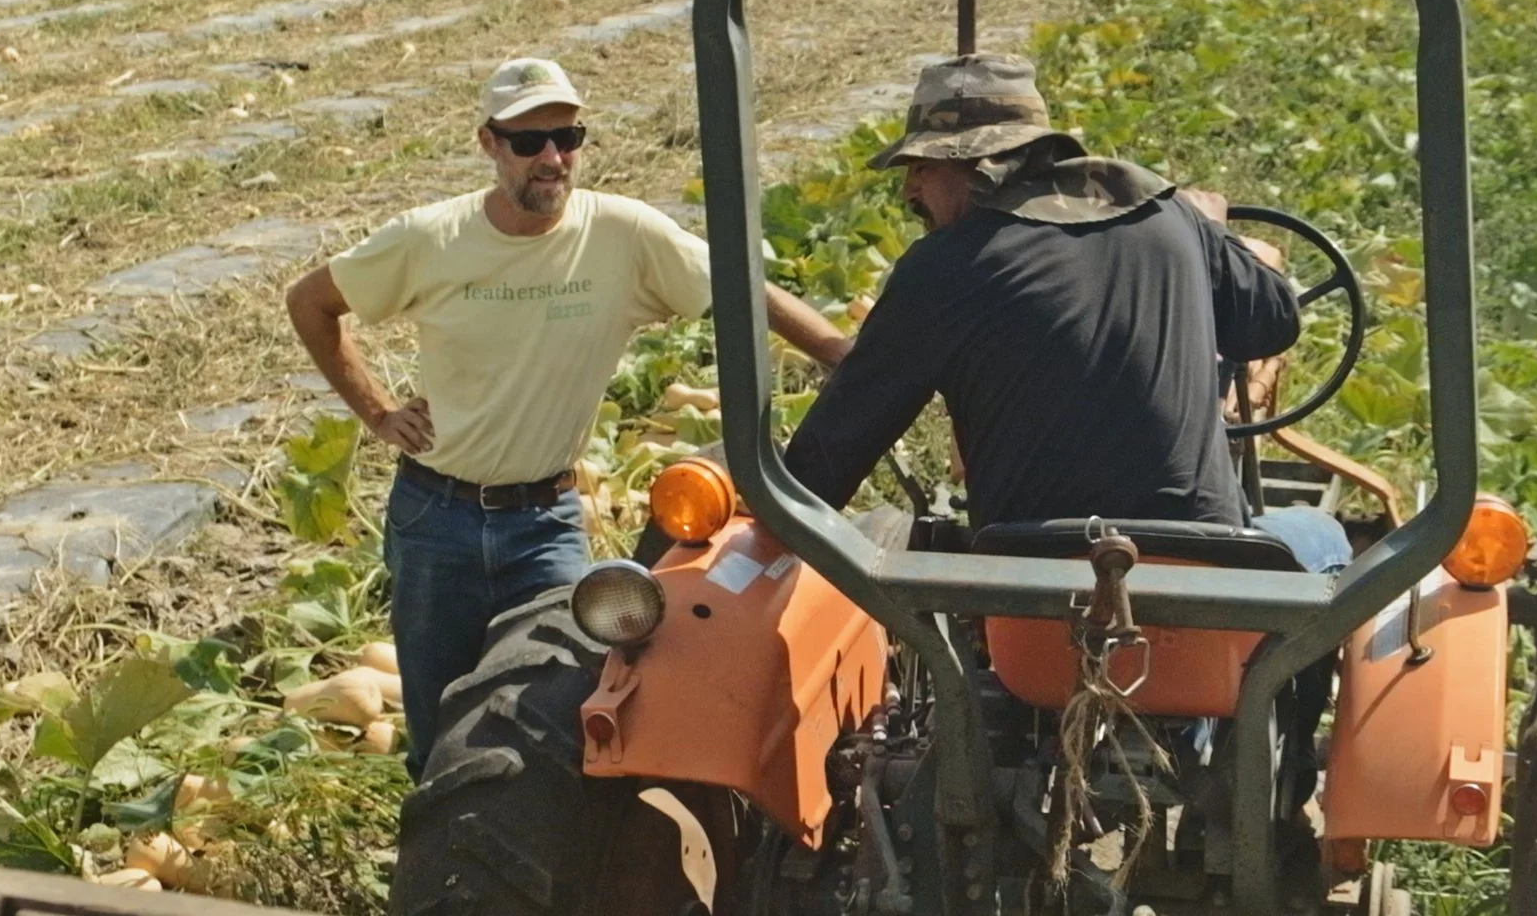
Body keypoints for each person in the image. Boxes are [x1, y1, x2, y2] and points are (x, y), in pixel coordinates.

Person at [286, 57, 849, 777]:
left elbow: (742, 285)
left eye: (567, 137)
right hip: (436, 521)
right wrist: (377, 412)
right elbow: (311, 302)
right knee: (437, 735)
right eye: (529, 143)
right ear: (488, 144)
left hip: (544, 525)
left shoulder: (620, 234)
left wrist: (845, 356)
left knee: (568, 716)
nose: (552, 158)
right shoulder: (431, 239)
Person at [782, 52, 1351, 574]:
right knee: (1322, 532)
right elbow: (1273, 321)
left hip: (1021, 600)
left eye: (923, 167)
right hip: (1206, 583)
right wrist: (1215, 236)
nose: (909, 189)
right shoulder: (1168, 214)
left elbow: (821, 469)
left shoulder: (938, 270)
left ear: (978, 166)